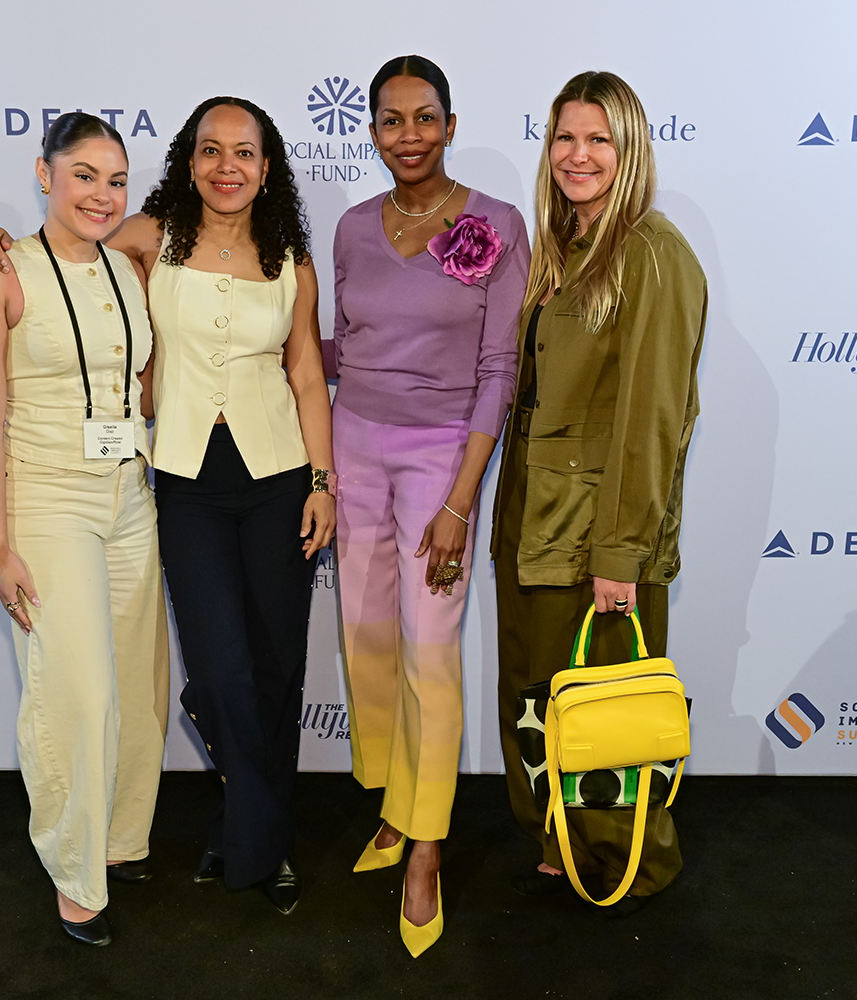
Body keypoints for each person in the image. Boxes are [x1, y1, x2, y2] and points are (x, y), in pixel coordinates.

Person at [0, 97, 335, 915]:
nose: (227, 166)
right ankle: (246, 825)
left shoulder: (292, 259)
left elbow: (308, 374)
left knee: (275, 669)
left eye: (244, 153)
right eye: (211, 150)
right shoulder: (149, 235)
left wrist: (323, 483)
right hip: (184, 479)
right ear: (189, 160)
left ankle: (256, 838)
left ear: (267, 167)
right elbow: (63, 254)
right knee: (218, 672)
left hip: (279, 477)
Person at [0, 112, 170, 947]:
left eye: (116, 179)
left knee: (140, 687)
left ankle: (114, 841)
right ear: (42, 173)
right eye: (83, 175)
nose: (102, 194)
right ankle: (74, 876)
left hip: (129, 494)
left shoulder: (130, 260)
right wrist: (0, 546)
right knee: (78, 690)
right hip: (46, 499)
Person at [491, 70, 707, 914]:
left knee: (607, 716)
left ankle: (625, 865)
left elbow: (654, 418)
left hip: (595, 539)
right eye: (564, 138)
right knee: (552, 706)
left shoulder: (653, 254)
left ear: (630, 150)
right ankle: (566, 846)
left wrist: (620, 552)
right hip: (535, 527)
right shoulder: (565, 249)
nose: (577, 156)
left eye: (598, 140)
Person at [332, 55, 529, 956]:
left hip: (440, 460)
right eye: (389, 120)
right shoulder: (349, 228)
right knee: (368, 640)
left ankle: (425, 849)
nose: (406, 135)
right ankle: (393, 803)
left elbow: (499, 368)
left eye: (423, 118)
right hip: (352, 446)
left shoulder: (496, 224)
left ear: (449, 124)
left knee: (431, 649)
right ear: (370, 130)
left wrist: (461, 501)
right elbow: (347, 345)